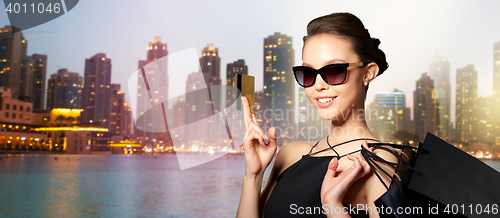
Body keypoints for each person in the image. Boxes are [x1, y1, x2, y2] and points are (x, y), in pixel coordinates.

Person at [236, 12, 397, 218]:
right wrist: (253, 175)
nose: (319, 85)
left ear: (368, 73)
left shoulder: (379, 164)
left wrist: (333, 205)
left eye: (335, 70)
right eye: (309, 74)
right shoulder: (289, 155)